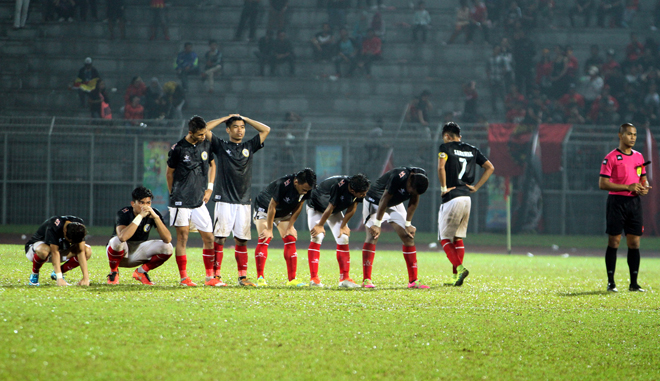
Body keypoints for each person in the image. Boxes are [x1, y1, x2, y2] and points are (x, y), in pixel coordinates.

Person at [206, 114, 271, 287]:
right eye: (235, 126)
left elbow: (266, 130)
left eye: (242, 127)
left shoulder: (249, 146)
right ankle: (216, 275)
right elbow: (204, 129)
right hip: (224, 199)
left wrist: (246, 118)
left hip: (243, 200)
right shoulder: (221, 145)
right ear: (228, 129)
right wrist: (225, 118)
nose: (240, 130)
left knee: (242, 240)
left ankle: (242, 277)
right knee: (220, 237)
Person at [437, 122, 494, 286]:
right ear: (459, 136)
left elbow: (441, 168)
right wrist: (476, 187)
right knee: (457, 237)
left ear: (447, 136)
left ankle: (460, 269)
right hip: (466, 198)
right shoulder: (472, 149)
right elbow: (490, 167)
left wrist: (443, 188)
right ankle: (455, 277)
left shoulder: (445, 147)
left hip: (452, 197)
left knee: (444, 238)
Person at [166, 116, 218, 287]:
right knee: (182, 238)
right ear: (190, 132)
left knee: (209, 237)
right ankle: (184, 278)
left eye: (205, 134)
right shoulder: (178, 148)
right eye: (200, 134)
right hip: (180, 200)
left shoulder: (206, 144)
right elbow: (169, 173)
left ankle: (210, 277)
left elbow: (212, 165)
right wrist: (173, 194)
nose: (203, 137)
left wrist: (209, 187)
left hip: (198, 201)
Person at [598, 123, 651, 292]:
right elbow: (603, 183)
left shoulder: (639, 156)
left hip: (634, 204)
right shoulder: (611, 157)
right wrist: (627, 187)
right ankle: (611, 282)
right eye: (629, 134)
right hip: (616, 203)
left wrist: (644, 187)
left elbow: (642, 178)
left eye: (635, 134)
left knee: (634, 243)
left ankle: (634, 283)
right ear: (620, 135)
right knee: (614, 241)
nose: (633, 137)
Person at [362, 167, 430, 288]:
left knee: (408, 237)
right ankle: (366, 280)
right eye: (411, 190)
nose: (411, 193)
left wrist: (408, 224)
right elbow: (385, 198)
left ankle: (413, 281)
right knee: (373, 235)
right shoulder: (398, 176)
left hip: (395, 203)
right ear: (409, 181)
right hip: (377, 200)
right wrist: (377, 224)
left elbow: (414, 200)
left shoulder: (420, 177)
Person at [253, 169, 317, 287]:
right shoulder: (282, 184)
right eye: (304, 189)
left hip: (283, 211)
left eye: (307, 190)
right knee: (264, 237)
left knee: (290, 237)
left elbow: (299, 206)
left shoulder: (307, 188)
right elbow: (272, 206)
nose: (305, 192)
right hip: (265, 208)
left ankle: (292, 280)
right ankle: (260, 278)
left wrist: (290, 226)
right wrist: (269, 229)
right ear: (296, 182)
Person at [307, 174, 371, 288]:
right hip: (316, 207)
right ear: (352, 190)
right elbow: (330, 207)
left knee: (343, 238)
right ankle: (314, 279)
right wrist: (320, 225)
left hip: (333, 209)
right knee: (317, 236)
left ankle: (345, 279)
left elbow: (353, 207)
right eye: (362, 193)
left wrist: (343, 225)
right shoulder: (339, 186)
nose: (364, 195)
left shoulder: (358, 187)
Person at [106, 186, 173, 285]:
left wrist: (156, 218)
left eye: (148, 203)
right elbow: (122, 237)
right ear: (133, 203)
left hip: (138, 252)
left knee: (168, 247)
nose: (145, 206)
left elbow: (167, 239)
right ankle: (114, 272)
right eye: (142, 203)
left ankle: (141, 272)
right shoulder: (124, 213)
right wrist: (140, 216)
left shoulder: (154, 213)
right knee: (116, 241)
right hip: (121, 255)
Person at [25, 216, 91, 287]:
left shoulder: (78, 226)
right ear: (65, 231)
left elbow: (80, 251)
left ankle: (58, 272)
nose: (72, 244)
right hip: (35, 250)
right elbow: (54, 252)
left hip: (58, 251)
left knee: (87, 251)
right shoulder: (54, 225)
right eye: (70, 241)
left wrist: (86, 278)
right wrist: (59, 278)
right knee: (44, 250)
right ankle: (34, 274)